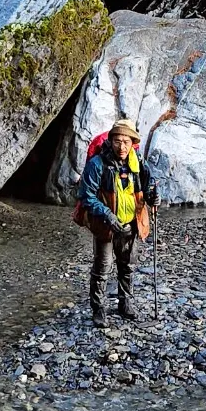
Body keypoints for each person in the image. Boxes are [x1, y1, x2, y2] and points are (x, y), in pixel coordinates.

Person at [78, 118, 161, 328]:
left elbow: (149, 185)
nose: (121, 146)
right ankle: (98, 309)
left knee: (128, 266)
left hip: (132, 223)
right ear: (110, 140)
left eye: (126, 142)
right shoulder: (98, 164)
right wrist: (108, 216)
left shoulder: (138, 162)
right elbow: (86, 195)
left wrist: (153, 197)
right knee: (102, 267)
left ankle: (125, 303)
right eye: (117, 141)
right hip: (106, 224)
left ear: (133, 142)